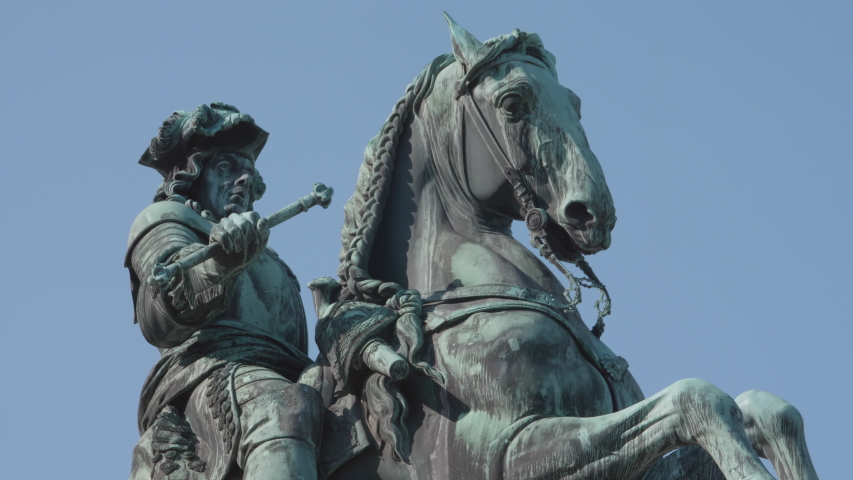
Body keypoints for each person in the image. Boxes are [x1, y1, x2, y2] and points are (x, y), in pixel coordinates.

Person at [126, 102, 322, 480]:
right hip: (208, 375)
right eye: (226, 168)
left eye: (248, 171)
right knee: (281, 408)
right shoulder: (166, 219)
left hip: (296, 374)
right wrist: (219, 265)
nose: (243, 179)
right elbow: (161, 314)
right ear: (193, 175)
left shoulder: (270, 258)